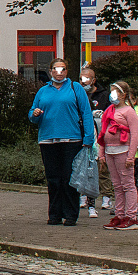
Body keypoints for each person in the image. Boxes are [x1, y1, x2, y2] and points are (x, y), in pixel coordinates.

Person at [28, 58, 96, 226]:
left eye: (63, 69)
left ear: (67, 71)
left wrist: (88, 138)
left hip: (71, 139)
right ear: (50, 71)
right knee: (53, 179)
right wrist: (34, 114)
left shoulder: (75, 88)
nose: (59, 73)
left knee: (69, 178)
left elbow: (86, 113)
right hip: (48, 140)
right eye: (56, 69)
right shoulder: (43, 91)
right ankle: (55, 214)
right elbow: (32, 115)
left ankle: (71, 215)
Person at [97, 80, 138, 230]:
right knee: (117, 185)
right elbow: (103, 132)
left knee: (128, 184)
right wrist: (102, 153)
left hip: (123, 151)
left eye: (115, 92)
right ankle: (119, 214)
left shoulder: (129, 111)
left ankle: (131, 216)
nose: (112, 95)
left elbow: (135, 134)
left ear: (123, 95)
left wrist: (131, 156)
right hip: (110, 151)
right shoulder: (109, 110)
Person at [78, 66, 111, 219]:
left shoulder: (104, 95)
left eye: (86, 78)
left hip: (101, 135)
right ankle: (84, 196)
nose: (83, 82)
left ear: (93, 80)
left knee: (102, 168)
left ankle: (106, 196)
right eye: (81, 79)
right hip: (83, 135)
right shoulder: (77, 93)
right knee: (85, 168)